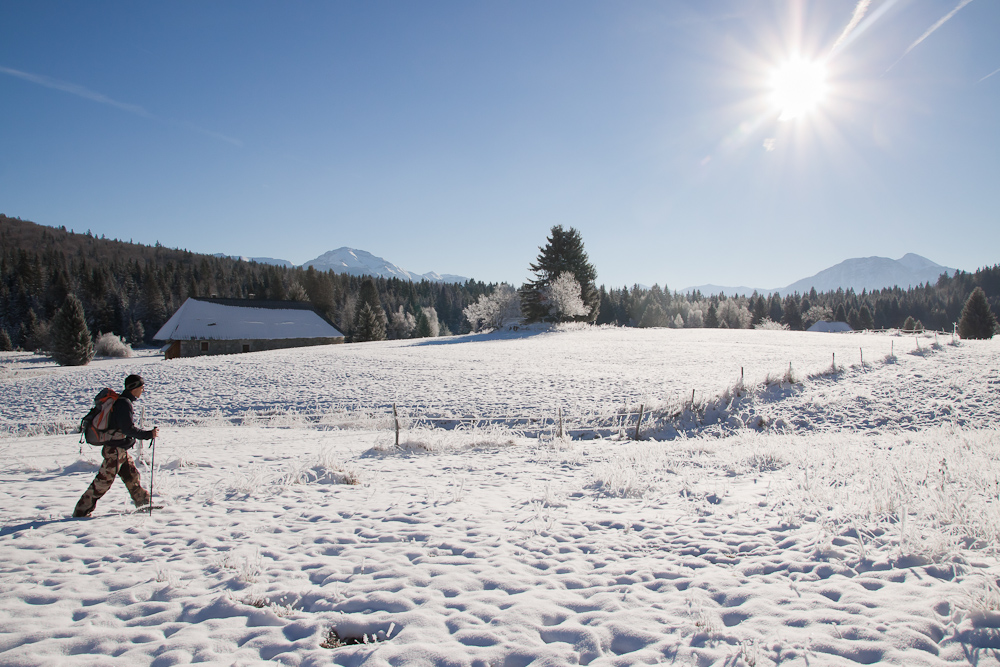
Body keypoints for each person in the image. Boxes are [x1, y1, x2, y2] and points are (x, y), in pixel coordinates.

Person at [73, 374, 159, 517]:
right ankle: (81, 511)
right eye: (141, 387)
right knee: (102, 483)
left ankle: (144, 505)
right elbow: (127, 429)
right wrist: (149, 434)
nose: (143, 390)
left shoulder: (122, 402)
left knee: (132, 477)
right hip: (114, 450)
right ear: (134, 387)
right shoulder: (124, 404)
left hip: (119, 450)